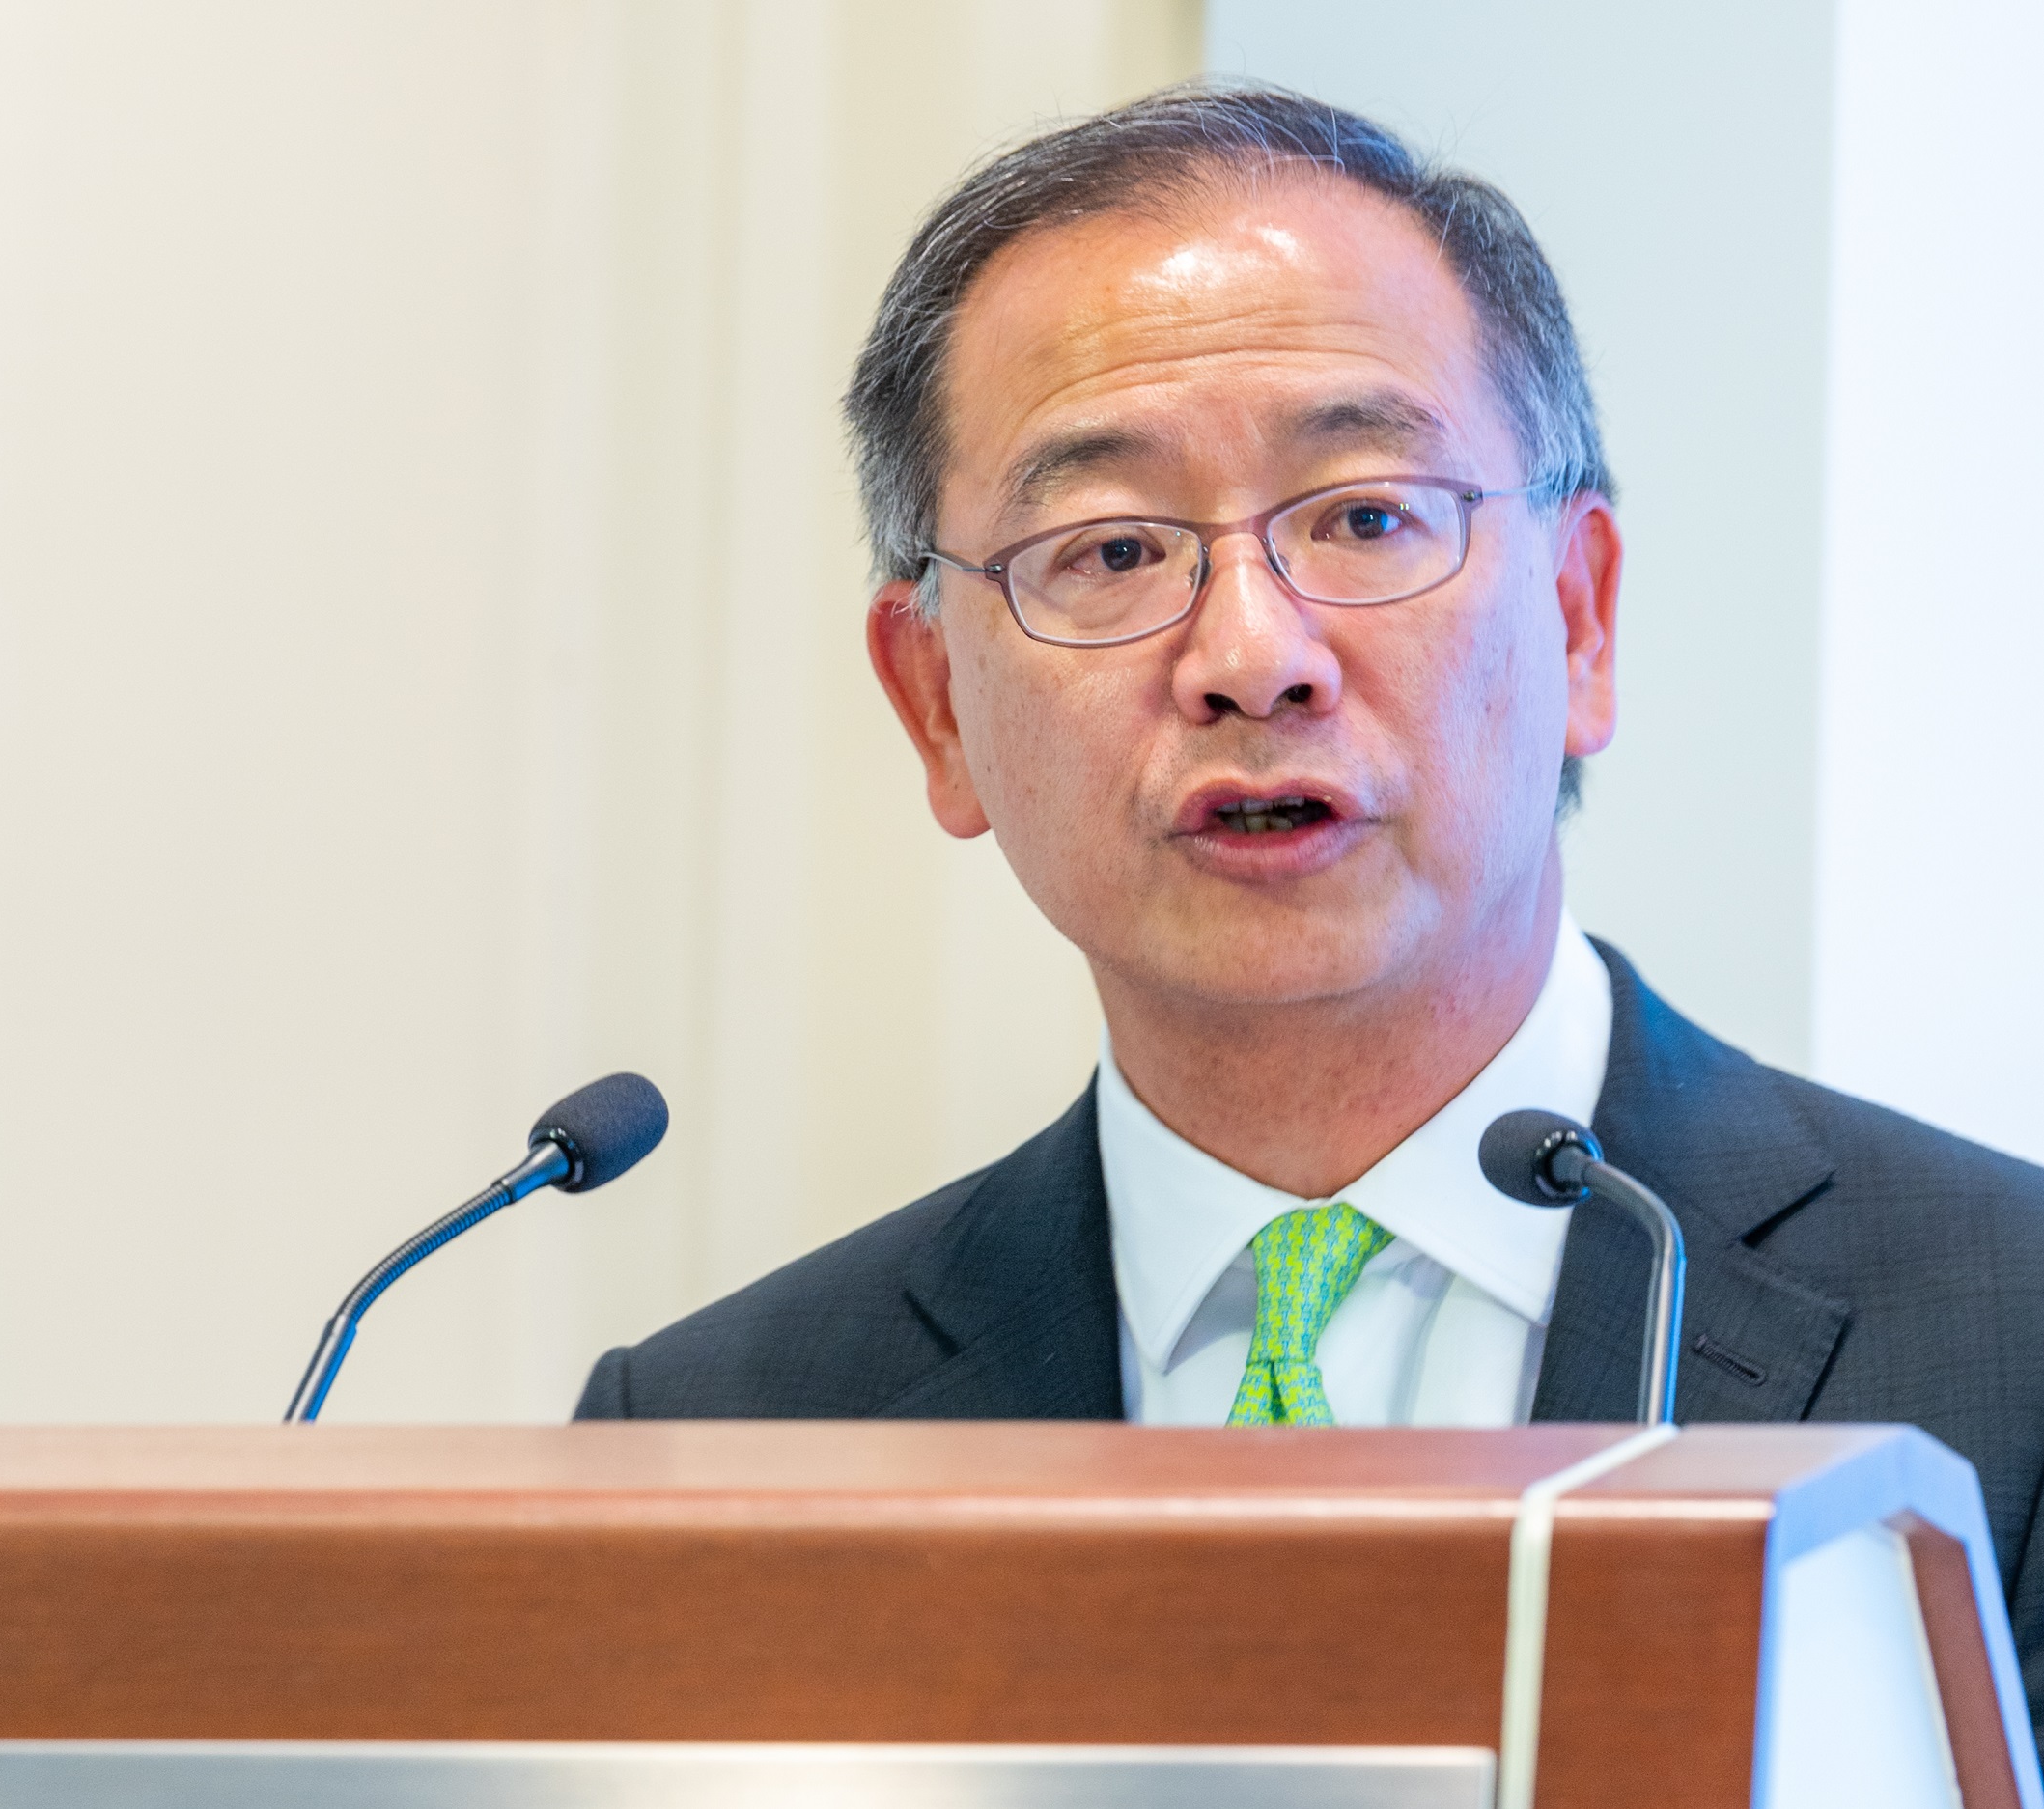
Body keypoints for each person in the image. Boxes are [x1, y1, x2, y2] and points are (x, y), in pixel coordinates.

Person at [571, 83, 2044, 1718]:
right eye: (1109, 550)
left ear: (1580, 617)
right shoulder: (721, 1438)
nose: (1249, 657)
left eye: (1360, 517)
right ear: (933, 704)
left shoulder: (2016, 1337)